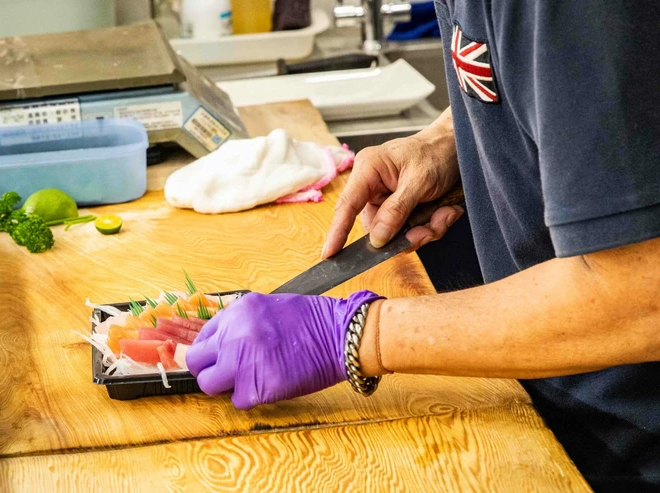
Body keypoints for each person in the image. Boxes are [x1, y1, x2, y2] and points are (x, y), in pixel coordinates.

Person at [186, 2, 660, 490]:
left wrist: (361, 335)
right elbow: (565, 81)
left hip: (629, 452)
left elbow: (639, 297)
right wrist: (451, 140)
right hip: (547, 399)